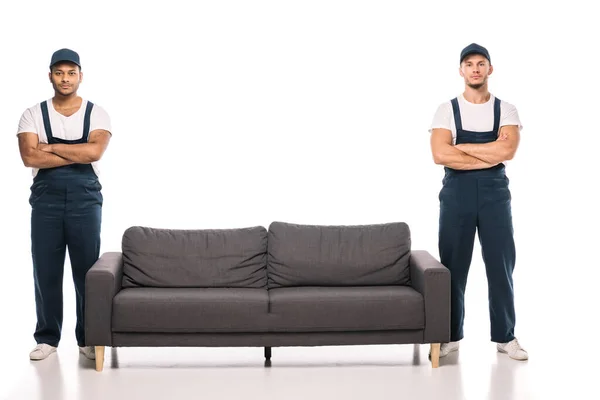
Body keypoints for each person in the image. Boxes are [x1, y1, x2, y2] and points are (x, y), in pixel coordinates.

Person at [428, 43, 527, 360]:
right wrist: (487, 152)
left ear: (490, 69)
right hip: (456, 192)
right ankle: (450, 336)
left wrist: (462, 148)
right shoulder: (446, 109)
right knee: (453, 266)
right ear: (461, 70)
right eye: (468, 63)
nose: (474, 68)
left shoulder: (506, 109)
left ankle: (505, 337)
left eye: (480, 63)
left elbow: (507, 152)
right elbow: (440, 154)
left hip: (495, 194)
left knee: (501, 264)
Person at [16, 48, 112, 361]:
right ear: (50, 76)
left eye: (71, 73)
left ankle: (87, 337)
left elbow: (94, 153)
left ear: (80, 76)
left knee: (86, 270)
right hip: (46, 200)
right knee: (45, 268)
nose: (65, 78)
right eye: (59, 73)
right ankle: (47, 338)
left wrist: (51, 147)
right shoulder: (32, 113)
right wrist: (75, 151)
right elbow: (30, 156)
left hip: (85, 199)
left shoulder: (97, 113)